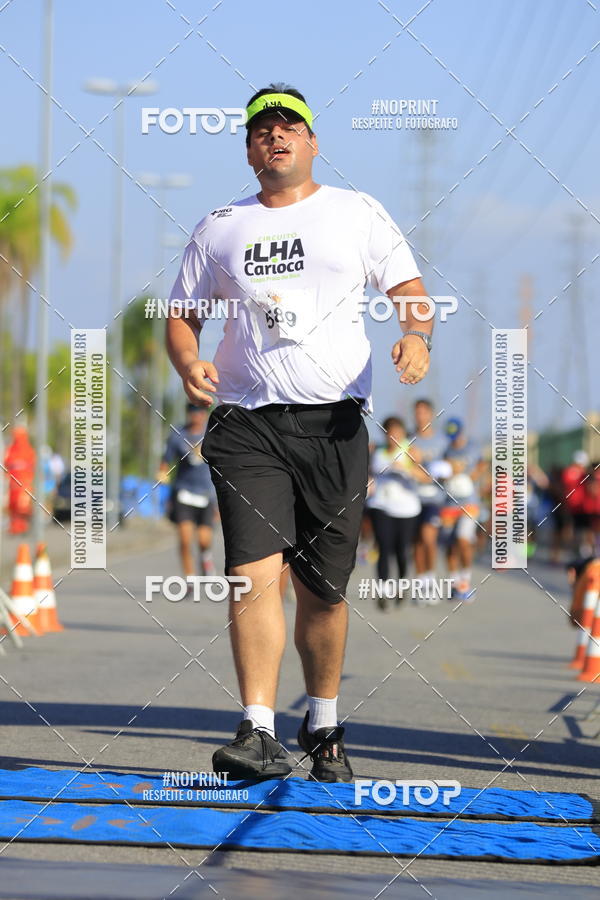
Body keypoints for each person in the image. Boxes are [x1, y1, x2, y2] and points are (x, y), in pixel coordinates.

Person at [166, 83, 432, 782]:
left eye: (288, 127)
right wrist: (189, 359)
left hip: (337, 428)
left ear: (313, 142)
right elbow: (182, 314)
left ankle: (323, 722)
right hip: (247, 427)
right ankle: (257, 729)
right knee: (252, 575)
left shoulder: (356, 212)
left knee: (323, 592)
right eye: (260, 130)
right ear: (249, 147)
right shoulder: (221, 224)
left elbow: (410, 292)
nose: (274, 136)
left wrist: (416, 336)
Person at [368, 416, 430, 609]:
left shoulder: (411, 451)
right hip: (381, 505)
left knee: (402, 551)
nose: (394, 436)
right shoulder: (377, 452)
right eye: (390, 432)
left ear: (403, 434)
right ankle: (383, 591)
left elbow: (427, 478)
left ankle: (402, 584)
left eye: (398, 432)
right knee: (384, 548)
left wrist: (407, 469)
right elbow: (370, 474)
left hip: (406, 509)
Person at [158, 403, 216, 582]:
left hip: (207, 493)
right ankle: (190, 579)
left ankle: (206, 557)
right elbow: (166, 460)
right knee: (184, 539)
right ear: (188, 413)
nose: (197, 415)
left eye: (200, 411)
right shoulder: (178, 435)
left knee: (204, 540)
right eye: (192, 411)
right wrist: (162, 473)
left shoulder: (213, 434)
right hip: (184, 492)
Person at [440, 417, 485, 601]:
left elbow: (482, 464)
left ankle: (465, 582)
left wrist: (471, 477)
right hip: (449, 504)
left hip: (469, 503)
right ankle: (454, 583)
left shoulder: (473, 447)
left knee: (463, 539)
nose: (455, 440)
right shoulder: (446, 451)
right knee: (450, 545)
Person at [410, 399, 448, 598]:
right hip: (412, 498)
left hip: (434, 498)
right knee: (416, 541)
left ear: (431, 415)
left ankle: (430, 580)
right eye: (417, 412)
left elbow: (448, 467)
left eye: (424, 412)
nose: (420, 416)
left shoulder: (442, 441)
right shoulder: (409, 440)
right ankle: (420, 583)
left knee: (428, 538)